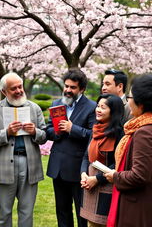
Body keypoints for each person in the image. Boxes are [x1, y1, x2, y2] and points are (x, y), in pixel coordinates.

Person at [0, 72, 47, 227]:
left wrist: (35, 132)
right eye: (14, 88)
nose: (19, 90)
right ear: (4, 92)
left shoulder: (34, 108)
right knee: (4, 212)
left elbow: (45, 135)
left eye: (20, 86)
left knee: (27, 211)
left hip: (29, 165)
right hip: (4, 167)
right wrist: (6, 132)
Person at [46, 68, 96, 227]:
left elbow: (93, 135)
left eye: (72, 87)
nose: (67, 90)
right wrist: (57, 131)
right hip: (57, 168)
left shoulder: (92, 107)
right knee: (62, 210)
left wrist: (72, 128)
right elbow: (48, 131)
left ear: (82, 89)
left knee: (82, 213)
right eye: (66, 86)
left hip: (78, 169)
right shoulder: (56, 104)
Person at [105, 74, 152, 227]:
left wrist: (115, 176)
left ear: (141, 103)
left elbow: (139, 175)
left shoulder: (144, 132)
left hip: (137, 208)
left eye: (130, 96)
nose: (128, 100)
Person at [80, 94, 124, 227]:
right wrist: (83, 174)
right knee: (90, 223)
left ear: (114, 111)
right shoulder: (95, 130)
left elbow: (118, 162)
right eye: (97, 106)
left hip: (107, 186)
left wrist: (97, 179)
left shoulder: (119, 134)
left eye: (103, 107)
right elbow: (86, 156)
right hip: (90, 185)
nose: (98, 110)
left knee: (102, 222)